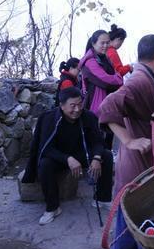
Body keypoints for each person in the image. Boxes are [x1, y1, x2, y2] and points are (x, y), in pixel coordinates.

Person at [99, 34, 154, 249]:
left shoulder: (153, 80)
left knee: (130, 226)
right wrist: (129, 141)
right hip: (141, 170)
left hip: (145, 169)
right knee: (153, 226)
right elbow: (107, 107)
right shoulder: (139, 81)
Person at [22, 87, 113, 225]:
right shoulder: (49, 119)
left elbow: (98, 142)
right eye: (73, 106)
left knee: (106, 156)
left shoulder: (88, 117)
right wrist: (67, 159)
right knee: (45, 164)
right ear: (62, 105)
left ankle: (102, 199)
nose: (77, 109)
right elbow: (45, 148)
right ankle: (52, 207)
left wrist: (96, 158)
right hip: (58, 157)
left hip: (82, 154)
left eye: (80, 104)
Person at [79, 29, 123, 150]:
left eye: (107, 43)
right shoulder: (90, 62)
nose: (105, 46)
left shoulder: (103, 58)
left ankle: (107, 160)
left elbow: (113, 76)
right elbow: (106, 80)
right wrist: (118, 78)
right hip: (97, 106)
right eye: (102, 43)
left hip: (108, 103)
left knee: (108, 136)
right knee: (98, 140)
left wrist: (116, 77)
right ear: (93, 44)